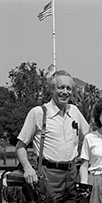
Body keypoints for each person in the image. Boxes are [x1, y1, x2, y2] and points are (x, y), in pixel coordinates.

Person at [16, 70, 90, 202]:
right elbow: (20, 147)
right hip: (48, 176)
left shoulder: (74, 111)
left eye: (68, 88)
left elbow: (90, 139)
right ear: (52, 89)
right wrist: (27, 168)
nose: (65, 92)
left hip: (73, 174)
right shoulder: (38, 113)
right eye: (61, 87)